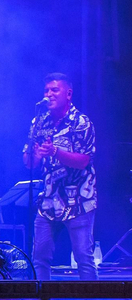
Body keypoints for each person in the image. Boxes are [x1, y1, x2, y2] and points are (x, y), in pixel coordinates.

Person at [22, 72, 97, 281]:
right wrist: (34, 156)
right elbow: (28, 162)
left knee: (83, 257)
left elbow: (83, 160)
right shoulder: (39, 121)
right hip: (48, 199)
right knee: (40, 258)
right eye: (46, 90)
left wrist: (56, 152)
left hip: (79, 200)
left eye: (54, 90)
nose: (49, 94)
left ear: (68, 93)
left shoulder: (81, 122)